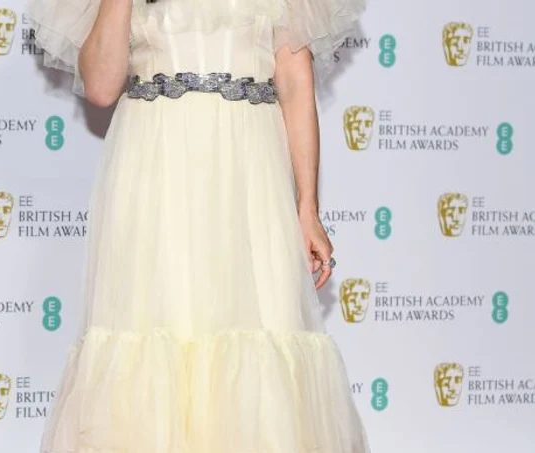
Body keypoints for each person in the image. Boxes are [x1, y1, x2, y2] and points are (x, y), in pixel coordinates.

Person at [26, 0, 370, 452]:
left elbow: (293, 78)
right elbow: (102, 87)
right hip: (155, 164)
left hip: (250, 166)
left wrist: (308, 207)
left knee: (261, 320)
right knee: (156, 320)